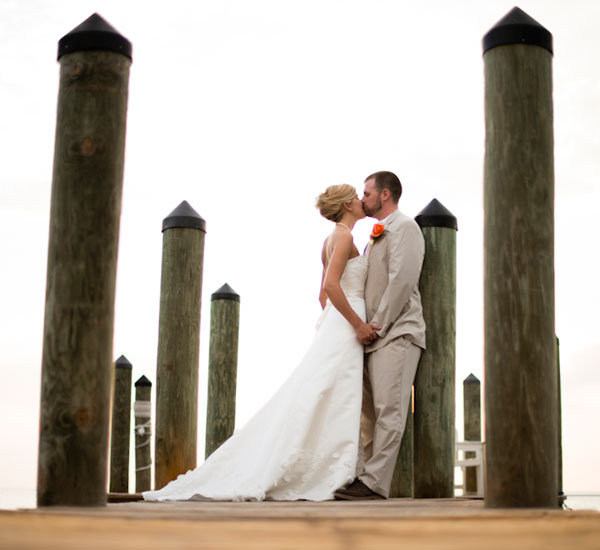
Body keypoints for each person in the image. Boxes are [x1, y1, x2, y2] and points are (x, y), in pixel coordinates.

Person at [143, 184, 379, 502]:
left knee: (329, 394)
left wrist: (333, 324)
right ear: (345, 204)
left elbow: (321, 295)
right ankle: (335, 470)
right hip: (348, 325)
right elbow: (331, 286)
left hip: (337, 326)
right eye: (355, 195)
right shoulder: (344, 237)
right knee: (337, 395)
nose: (360, 200)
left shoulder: (331, 239)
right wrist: (357, 324)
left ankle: (335, 466)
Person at [334, 171, 426, 501]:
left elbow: (402, 280)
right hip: (373, 336)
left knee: (390, 410)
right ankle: (365, 477)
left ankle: (374, 483)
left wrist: (380, 326)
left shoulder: (405, 228)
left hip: (397, 332)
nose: (363, 197)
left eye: (367, 192)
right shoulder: (375, 237)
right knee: (369, 413)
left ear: (385, 195)